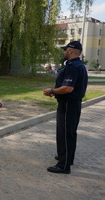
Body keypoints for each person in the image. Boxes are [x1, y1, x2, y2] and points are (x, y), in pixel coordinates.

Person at [43, 41, 88, 174]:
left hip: (68, 104)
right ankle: (67, 157)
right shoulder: (80, 65)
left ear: (70, 51)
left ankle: (63, 165)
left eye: (65, 50)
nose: (64, 52)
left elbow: (68, 88)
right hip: (73, 104)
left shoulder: (73, 67)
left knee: (65, 133)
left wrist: (52, 91)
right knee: (70, 132)